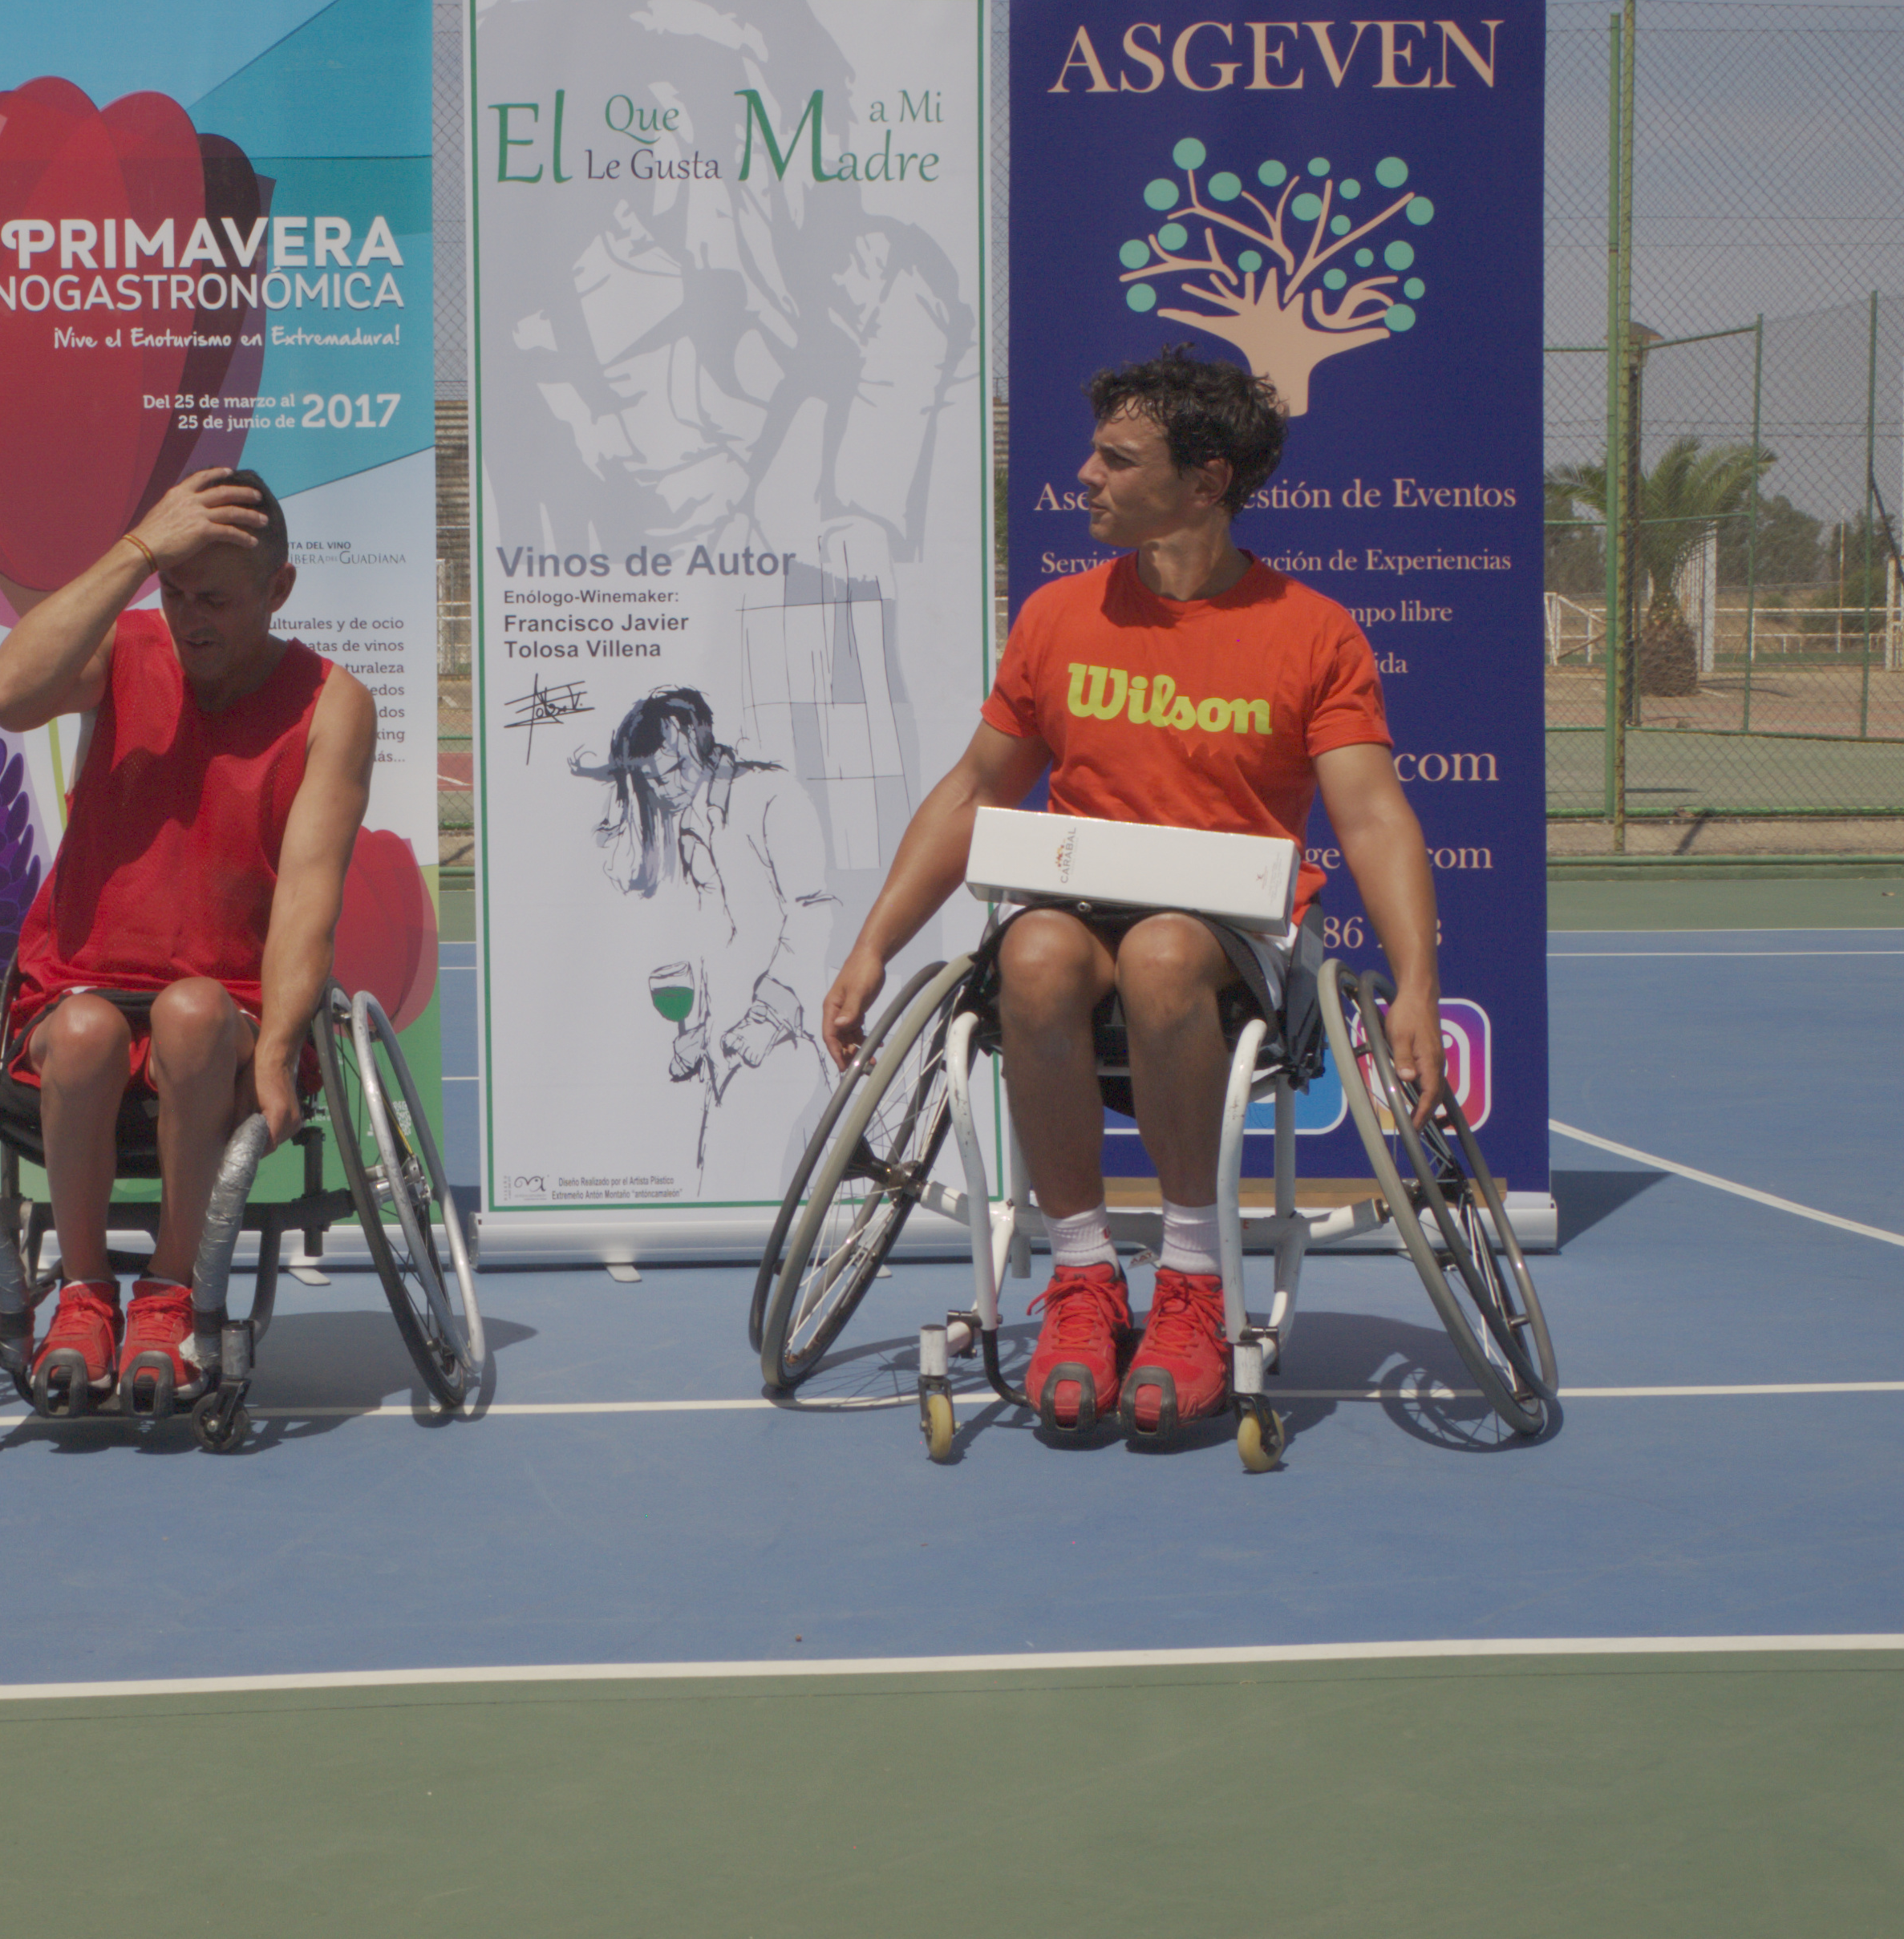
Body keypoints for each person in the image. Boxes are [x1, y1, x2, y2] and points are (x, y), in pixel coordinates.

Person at [818, 344, 1446, 1443]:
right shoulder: (1060, 616)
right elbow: (974, 790)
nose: (1086, 475)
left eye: (1118, 459)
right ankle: (1083, 1278)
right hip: (1078, 915)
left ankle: (1194, 1282)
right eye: (1095, 453)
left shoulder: (1312, 631)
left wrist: (1419, 985)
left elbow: (1375, 818)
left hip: (1230, 944)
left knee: (1162, 950)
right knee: (1032, 954)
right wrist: (874, 944)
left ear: (1206, 483)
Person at [0, 465, 375, 1410]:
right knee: (84, 1031)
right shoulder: (121, 650)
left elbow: (307, 899)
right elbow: (6, 696)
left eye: (217, 601)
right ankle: (83, 1296)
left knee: (191, 1013)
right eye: (176, 592)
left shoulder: (333, 703)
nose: (190, 619)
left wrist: (276, 1053)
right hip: (80, 988)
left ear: (278, 590)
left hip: (228, 1009)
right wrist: (137, 551)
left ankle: (170, 1292)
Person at [573, 688, 833, 1199]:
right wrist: (700, 1030)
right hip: (731, 1050)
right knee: (725, 1194)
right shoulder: (693, 821)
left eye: (671, 770)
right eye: (651, 779)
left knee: (763, 1197)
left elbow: (814, 910)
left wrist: (770, 1013)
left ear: (697, 740)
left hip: (786, 1046)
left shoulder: (772, 796)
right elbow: (725, 937)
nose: (663, 789)